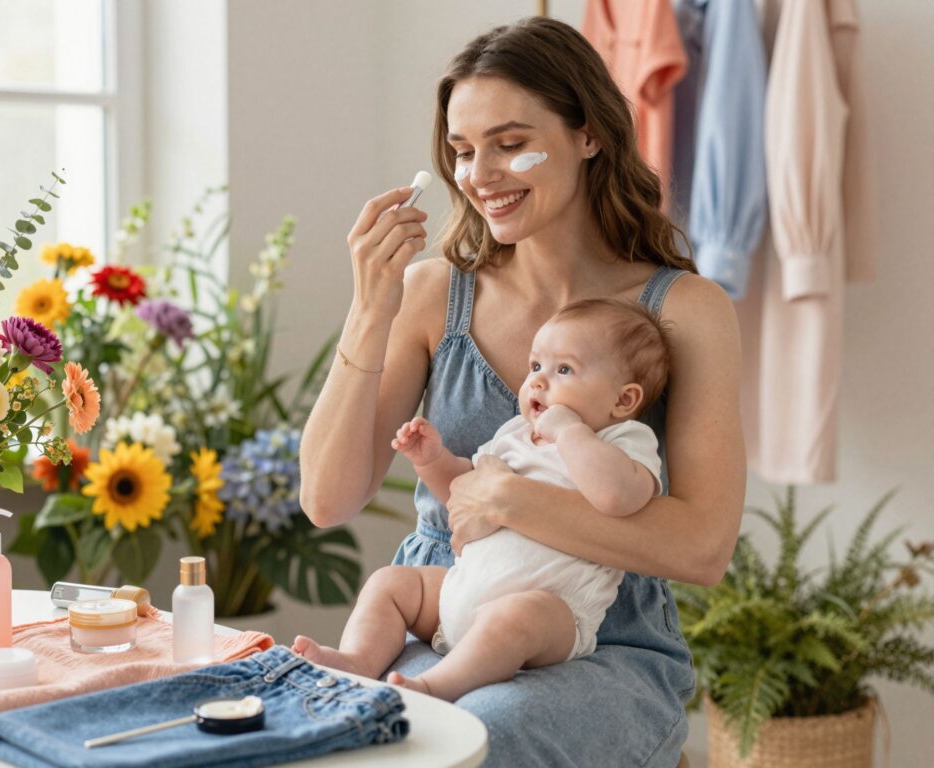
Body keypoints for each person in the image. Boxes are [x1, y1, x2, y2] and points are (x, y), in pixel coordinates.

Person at [299, 15, 745, 768]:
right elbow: (327, 499)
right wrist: (372, 308)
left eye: (510, 143)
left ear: (589, 136)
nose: (479, 175)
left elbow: (702, 549)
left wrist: (505, 500)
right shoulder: (433, 293)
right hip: (442, 613)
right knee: (325, 725)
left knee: (484, 735)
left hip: (595, 636)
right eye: (464, 151)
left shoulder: (681, 311)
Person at [294, 298, 669, 702]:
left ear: (624, 400)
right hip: (460, 590)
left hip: (551, 614)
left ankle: (436, 686)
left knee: (516, 617)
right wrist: (433, 460)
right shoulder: (515, 433)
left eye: (564, 370)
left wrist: (569, 432)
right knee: (391, 583)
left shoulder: (623, 441)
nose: (539, 381)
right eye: (535, 366)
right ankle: (357, 661)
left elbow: (616, 497)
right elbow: (468, 493)